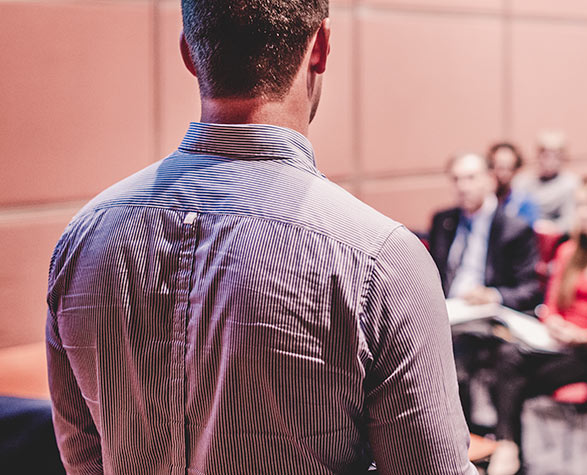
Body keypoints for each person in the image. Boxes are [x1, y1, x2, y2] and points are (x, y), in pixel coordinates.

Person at [45, 1, 475, 473]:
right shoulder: (381, 260)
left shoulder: (83, 239)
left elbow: (83, 459)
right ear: (322, 46)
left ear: (189, 53)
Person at [486, 174, 587, 474]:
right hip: (558, 345)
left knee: (508, 378)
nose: (583, 213)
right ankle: (510, 450)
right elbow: (550, 306)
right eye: (579, 206)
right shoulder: (568, 252)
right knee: (505, 361)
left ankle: (509, 453)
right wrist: (555, 324)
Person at [428, 153, 542, 312]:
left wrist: (494, 296)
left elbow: (530, 290)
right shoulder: (443, 221)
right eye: (455, 179)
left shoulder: (514, 229)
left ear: (490, 180)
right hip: (445, 309)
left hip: (485, 314)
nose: (462, 187)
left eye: (470, 178)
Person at [515, 131, 581, 235]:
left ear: (563, 158)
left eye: (556, 156)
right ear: (538, 156)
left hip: (556, 237)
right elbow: (514, 213)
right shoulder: (522, 182)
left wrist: (553, 227)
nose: (550, 160)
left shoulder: (570, 183)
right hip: (526, 233)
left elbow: (571, 220)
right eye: (546, 155)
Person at [487, 142, 539, 225]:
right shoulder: (482, 201)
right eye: (500, 167)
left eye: (509, 168)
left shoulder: (524, 202)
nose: (503, 174)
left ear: (516, 170)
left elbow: (529, 232)